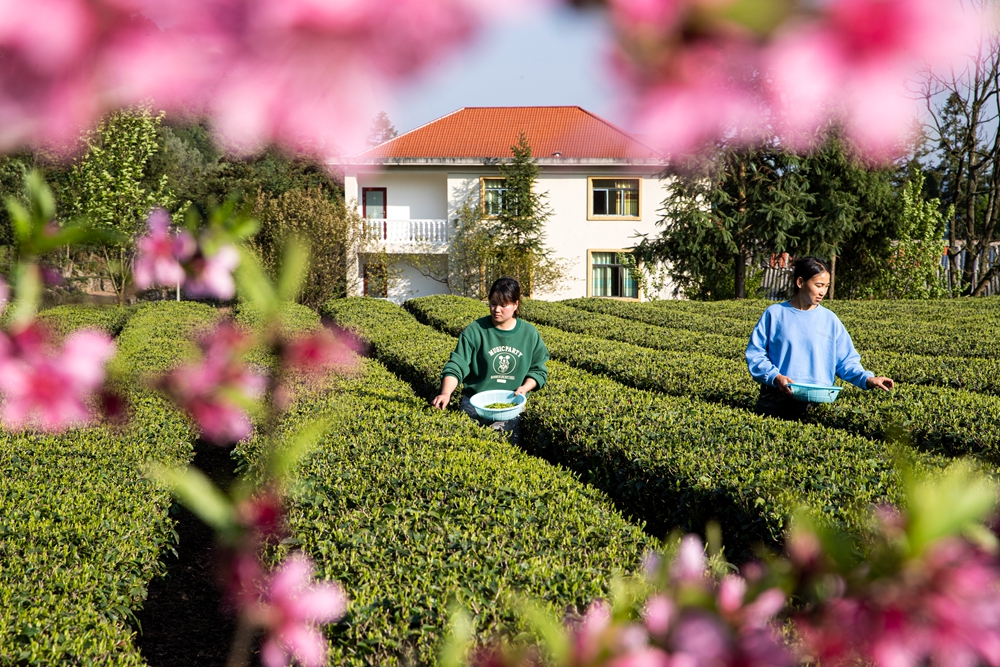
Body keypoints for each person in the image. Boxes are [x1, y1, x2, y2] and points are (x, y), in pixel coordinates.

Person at [745, 257, 893, 420]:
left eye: (826, 286)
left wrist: (867, 378)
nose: (823, 291)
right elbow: (755, 355)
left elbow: (845, 361)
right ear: (800, 282)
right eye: (818, 285)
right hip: (774, 402)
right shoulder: (775, 314)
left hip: (816, 404)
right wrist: (775, 377)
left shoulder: (830, 320)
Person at [431, 277, 549, 442]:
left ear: (515, 305)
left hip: (510, 408)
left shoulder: (529, 334)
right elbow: (457, 364)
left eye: (503, 305)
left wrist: (524, 388)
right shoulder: (475, 330)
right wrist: (445, 393)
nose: (496, 309)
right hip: (474, 406)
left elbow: (538, 370)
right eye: (493, 303)